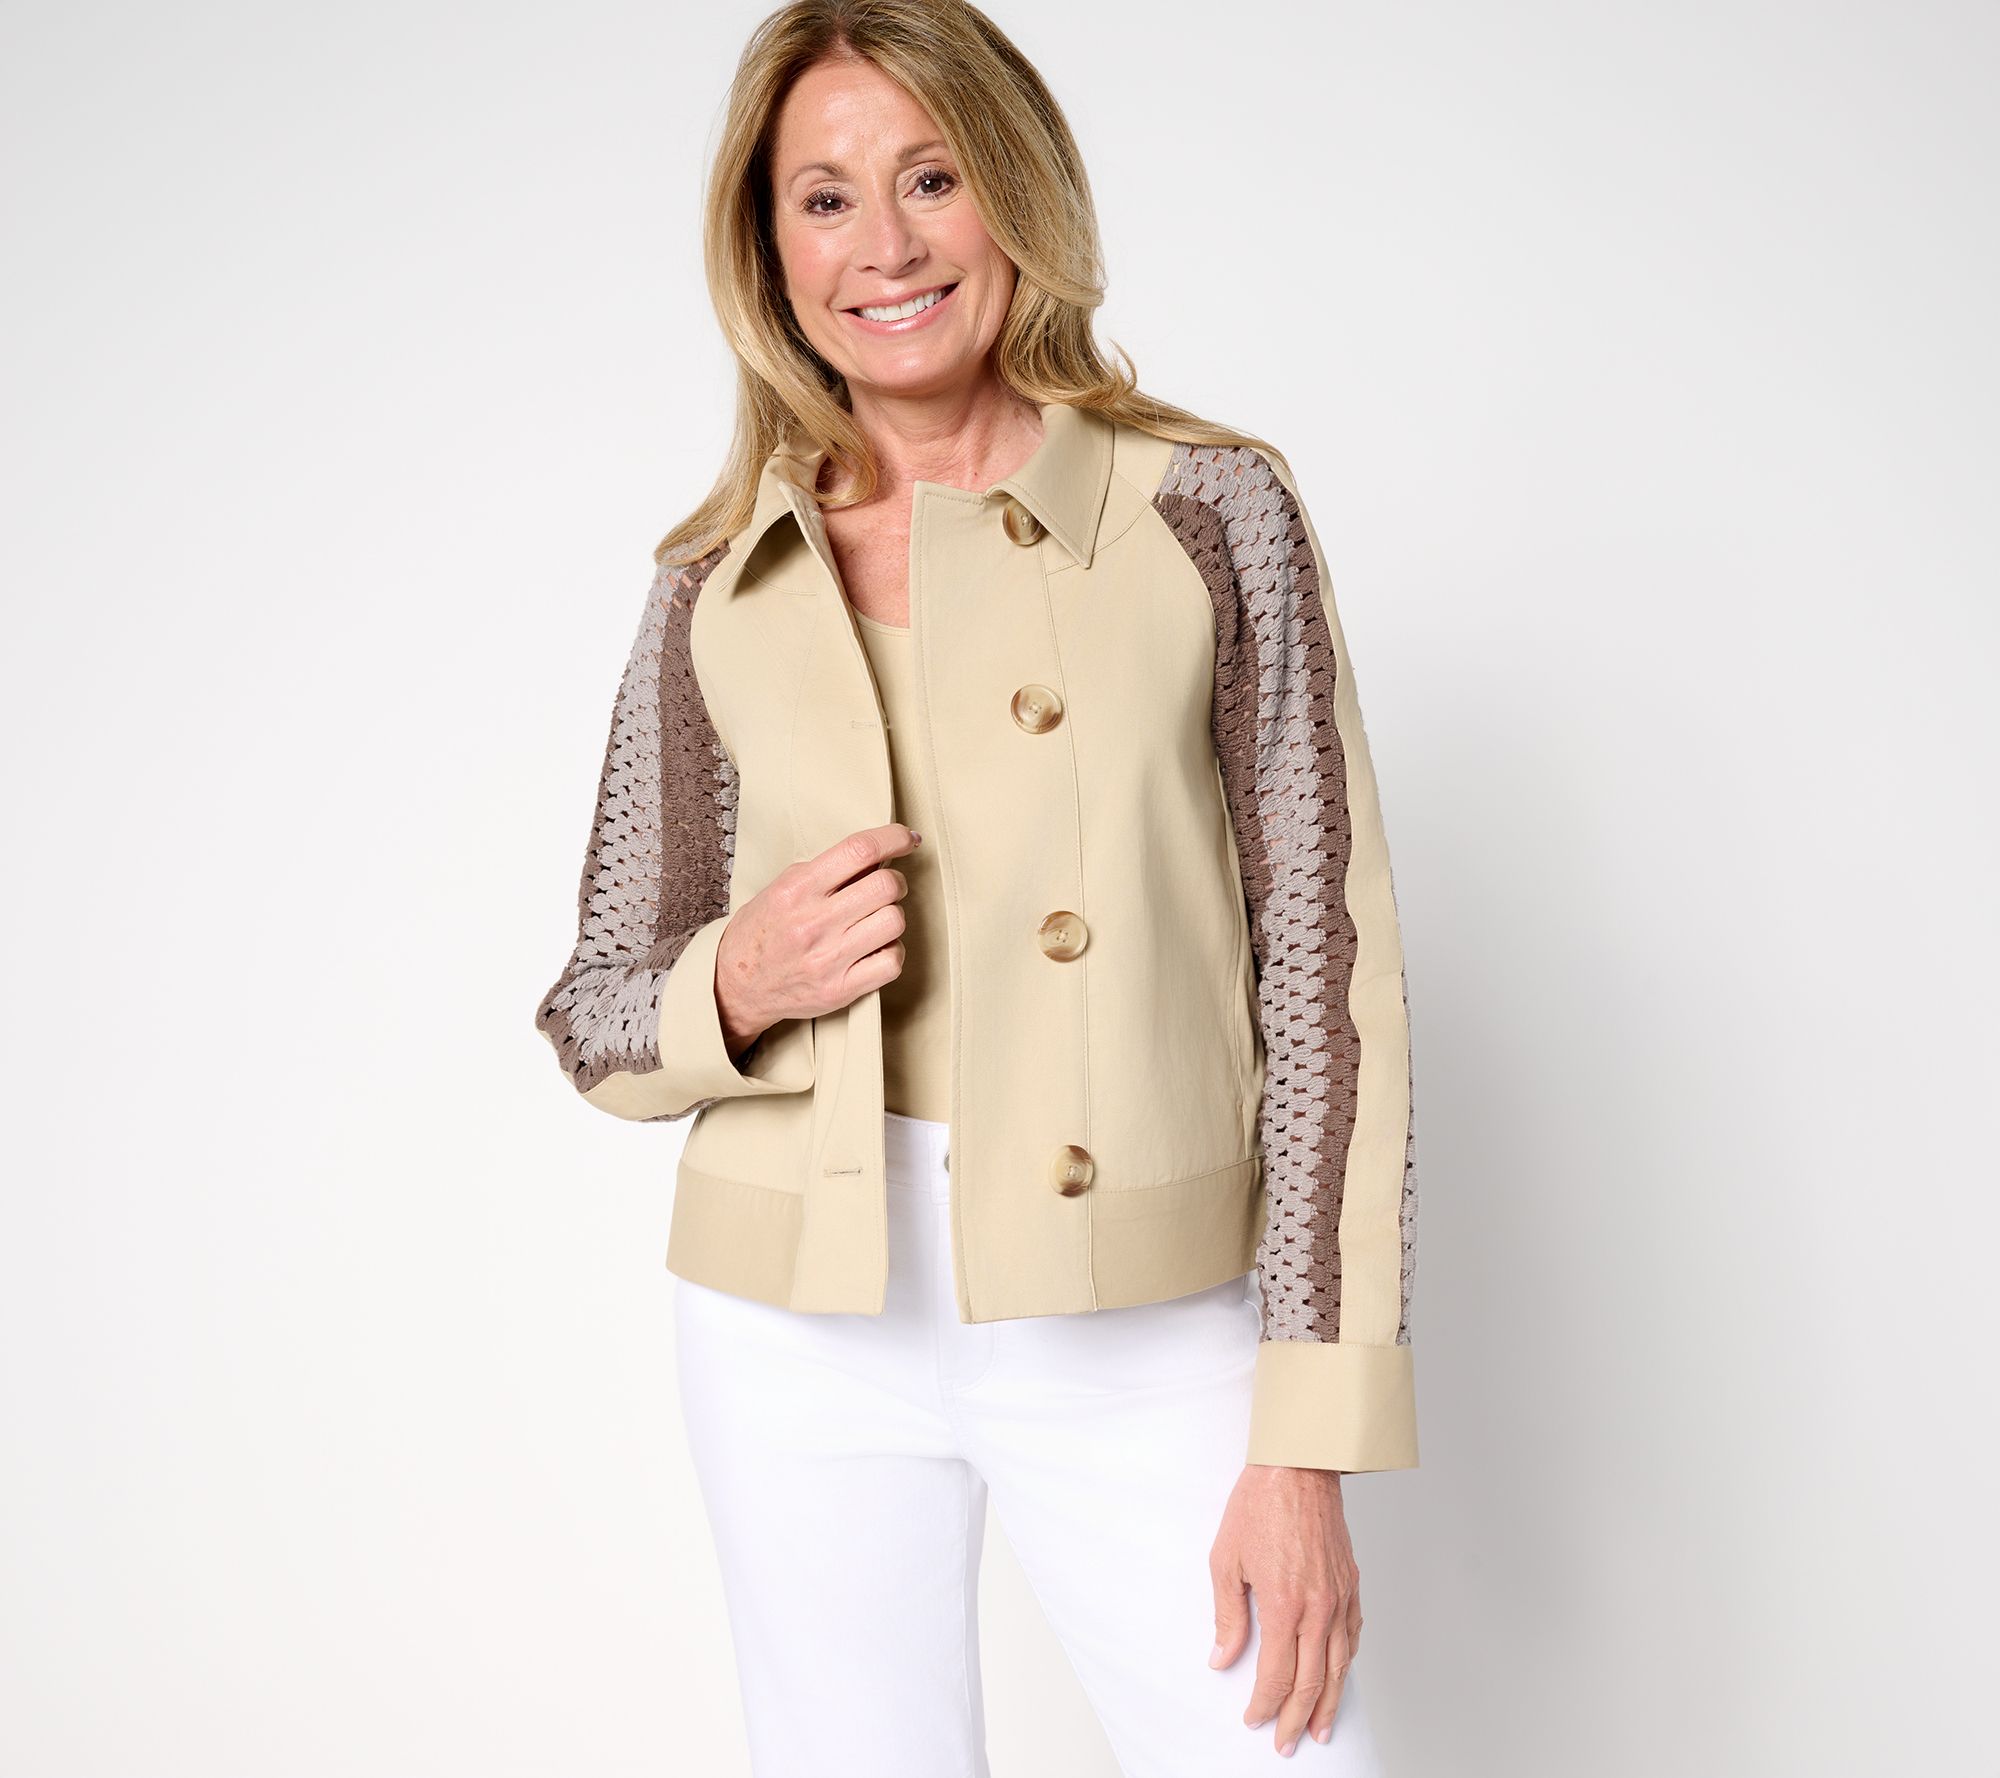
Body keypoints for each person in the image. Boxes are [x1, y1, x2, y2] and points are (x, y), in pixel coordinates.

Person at [534, 2, 1422, 1771]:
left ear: (1015, 190)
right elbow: (594, 1009)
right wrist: (741, 979)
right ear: (770, 253)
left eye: (932, 178)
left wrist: (1308, 1429)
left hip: (1145, 1310)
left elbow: (1332, 988)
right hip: (797, 1314)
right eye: (825, 199)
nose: (887, 244)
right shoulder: (720, 575)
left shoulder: (1207, 512)